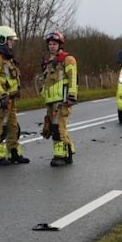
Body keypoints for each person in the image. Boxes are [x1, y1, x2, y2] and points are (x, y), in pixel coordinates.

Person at [0, 25, 29, 166]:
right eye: (10, 40)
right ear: (2, 39)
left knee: (13, 127)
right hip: (0, 99)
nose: (12, 43)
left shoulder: (7, 58)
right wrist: (1, 95)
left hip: (10, 98)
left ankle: (14, 153)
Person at [39, 30, 77, 166]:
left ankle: (60, 156)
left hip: (62, 100)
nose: (52, 46)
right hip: (50, 101)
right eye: (50, 44)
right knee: (52, 128)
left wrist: (72, 95)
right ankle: (68, 150)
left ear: (60, 45)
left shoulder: (67, 59)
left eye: (54, 44)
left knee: (57, 128)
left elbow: (73, 78)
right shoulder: (48, 62)